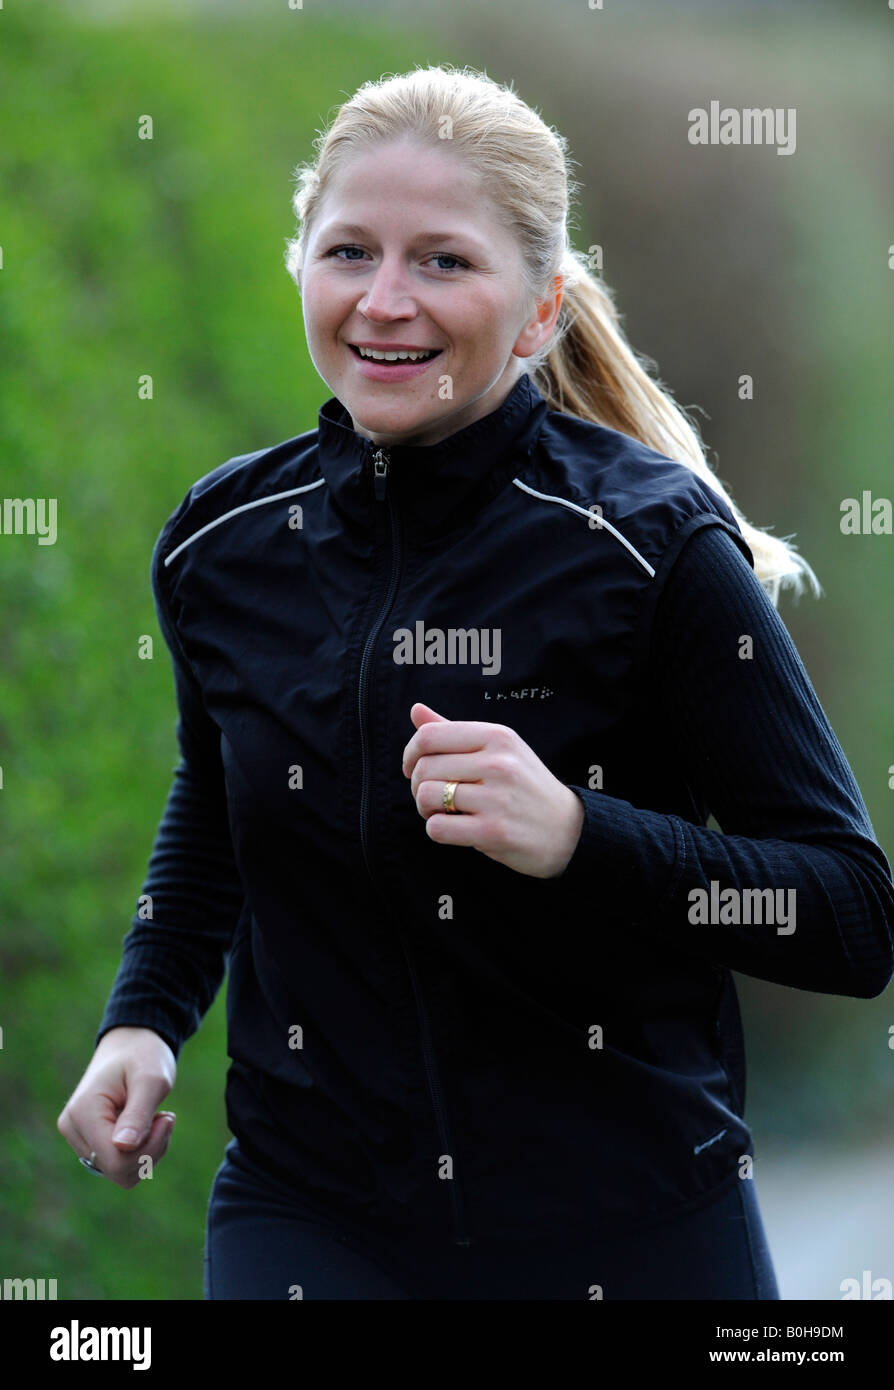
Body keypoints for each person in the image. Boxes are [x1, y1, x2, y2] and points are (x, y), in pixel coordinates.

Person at [58, 64, 894, 1301]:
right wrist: (145, 1015)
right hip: (311, 1215)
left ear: (543, 309)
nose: (385, 301)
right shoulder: (223, 543)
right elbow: (220, 803)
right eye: (349, 251)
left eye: (443, 262)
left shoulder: (654, 547)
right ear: (300, 263)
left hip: (632, 1221)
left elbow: (846, 915)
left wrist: (580, 836)